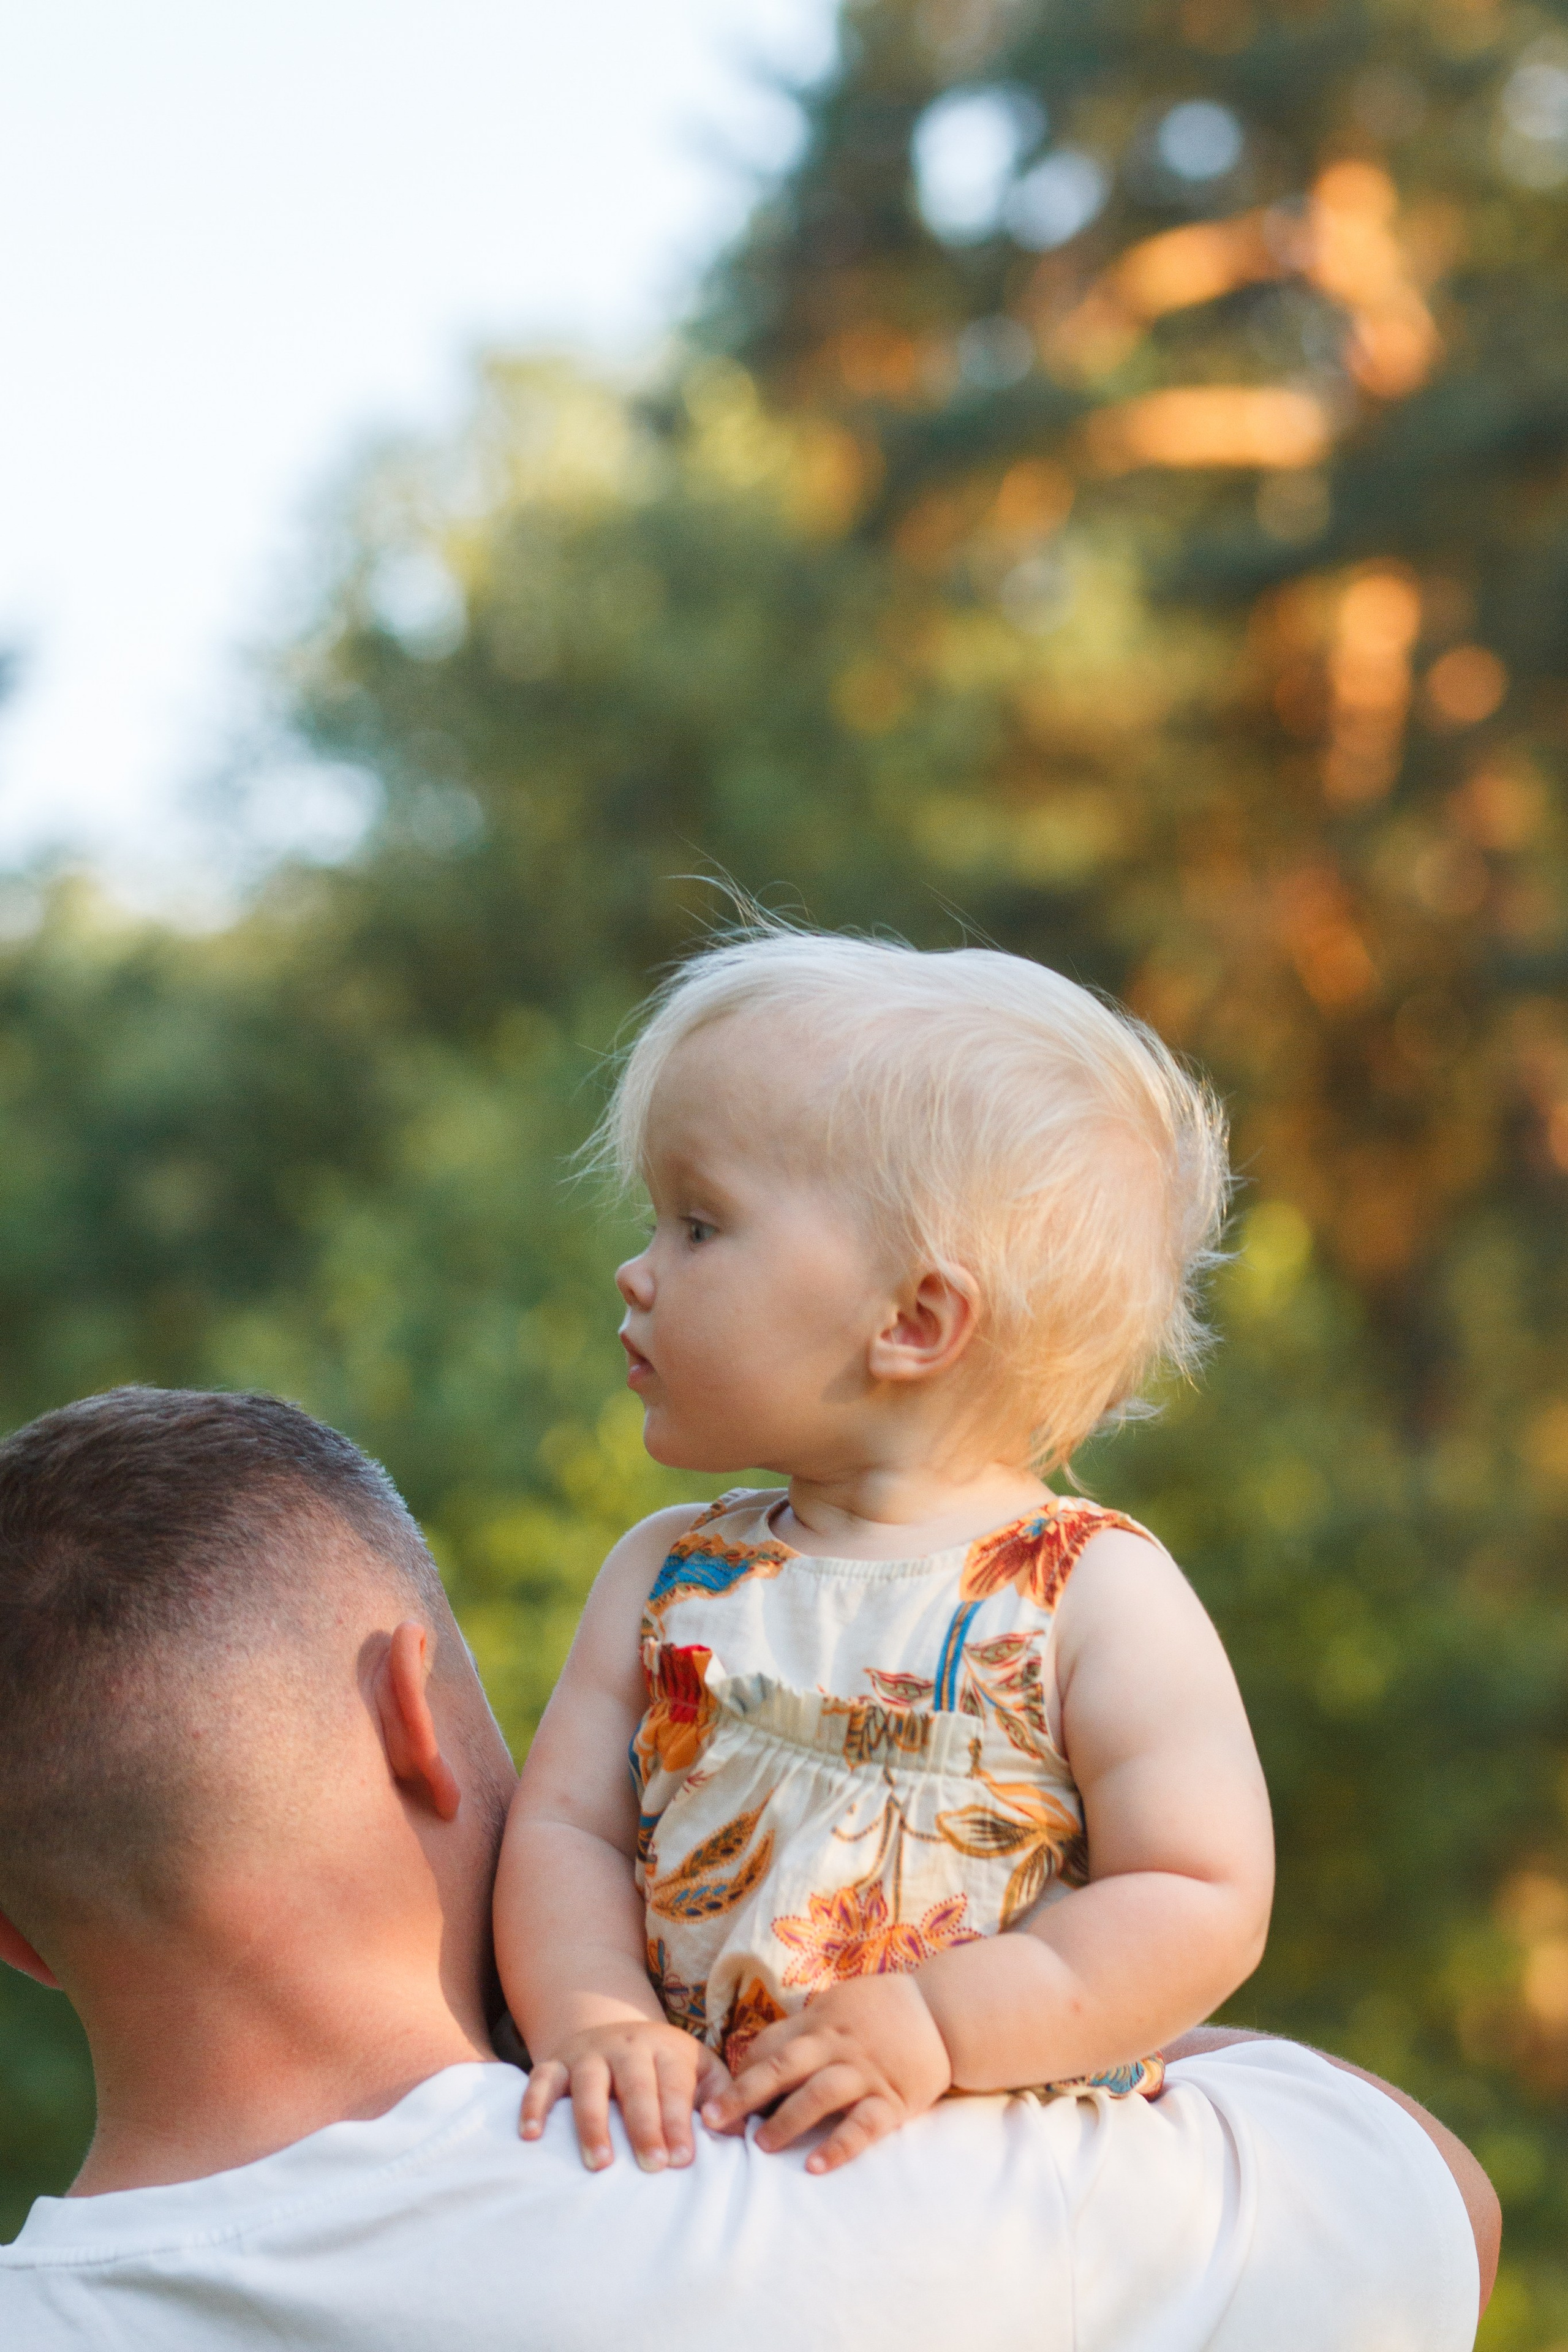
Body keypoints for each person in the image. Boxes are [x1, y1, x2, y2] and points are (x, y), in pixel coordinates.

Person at [0, 1388, 1496, 2349]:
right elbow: (1428, 2202)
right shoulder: (818, 2189)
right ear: (415, 1721)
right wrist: (970, 2009)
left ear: (18, 1938)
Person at [499, 929, 1273, 2177]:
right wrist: (595, 2018)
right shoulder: (667, 1576)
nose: (635, 1272)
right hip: (678, 2163)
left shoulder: (1087, 1595)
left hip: (972, 2184)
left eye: (698, 1225)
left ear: (912, 1321)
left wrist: (937, 2019)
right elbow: (566, 1838)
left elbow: (1197, 1894)